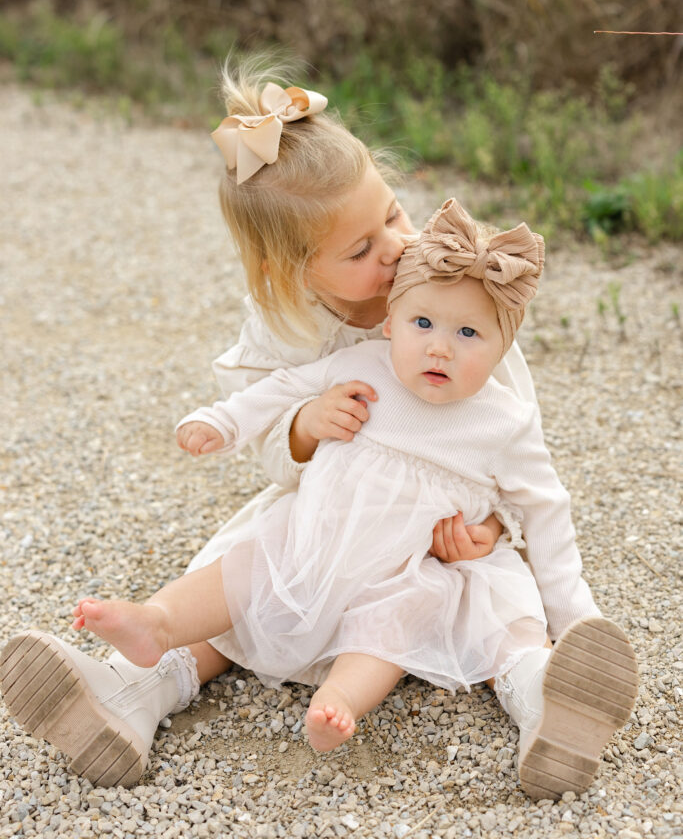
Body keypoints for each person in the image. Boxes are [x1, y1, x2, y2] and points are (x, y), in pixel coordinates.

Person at [0, 59, 556, 789]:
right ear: (289, 271)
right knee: (244, 574)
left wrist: (490, 526)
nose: (394, 246)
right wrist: (303, 427)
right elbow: (263, 436)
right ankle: (132, 690)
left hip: (435, 535)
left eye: (392, 214)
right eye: (359, 250)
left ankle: (542, 694)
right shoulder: (282, 329)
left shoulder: (450, 296)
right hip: (332, 518)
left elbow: (510, 434)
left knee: (498, 596)